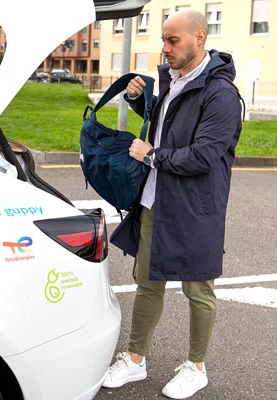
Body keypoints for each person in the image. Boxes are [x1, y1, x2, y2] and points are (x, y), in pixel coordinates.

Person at [103, 8, 243, 399]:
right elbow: (168, 128)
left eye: (172, 40)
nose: (164, 48)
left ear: (200, 38)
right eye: (163, 40)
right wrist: (139, 102)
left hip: (196, 208)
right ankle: (135, 360)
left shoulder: (221, 95)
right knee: (147, 283)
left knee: (198, 289)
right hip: (156, 201)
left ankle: (196, 367)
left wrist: (151, 156)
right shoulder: (175, 79)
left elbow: (203, 155)